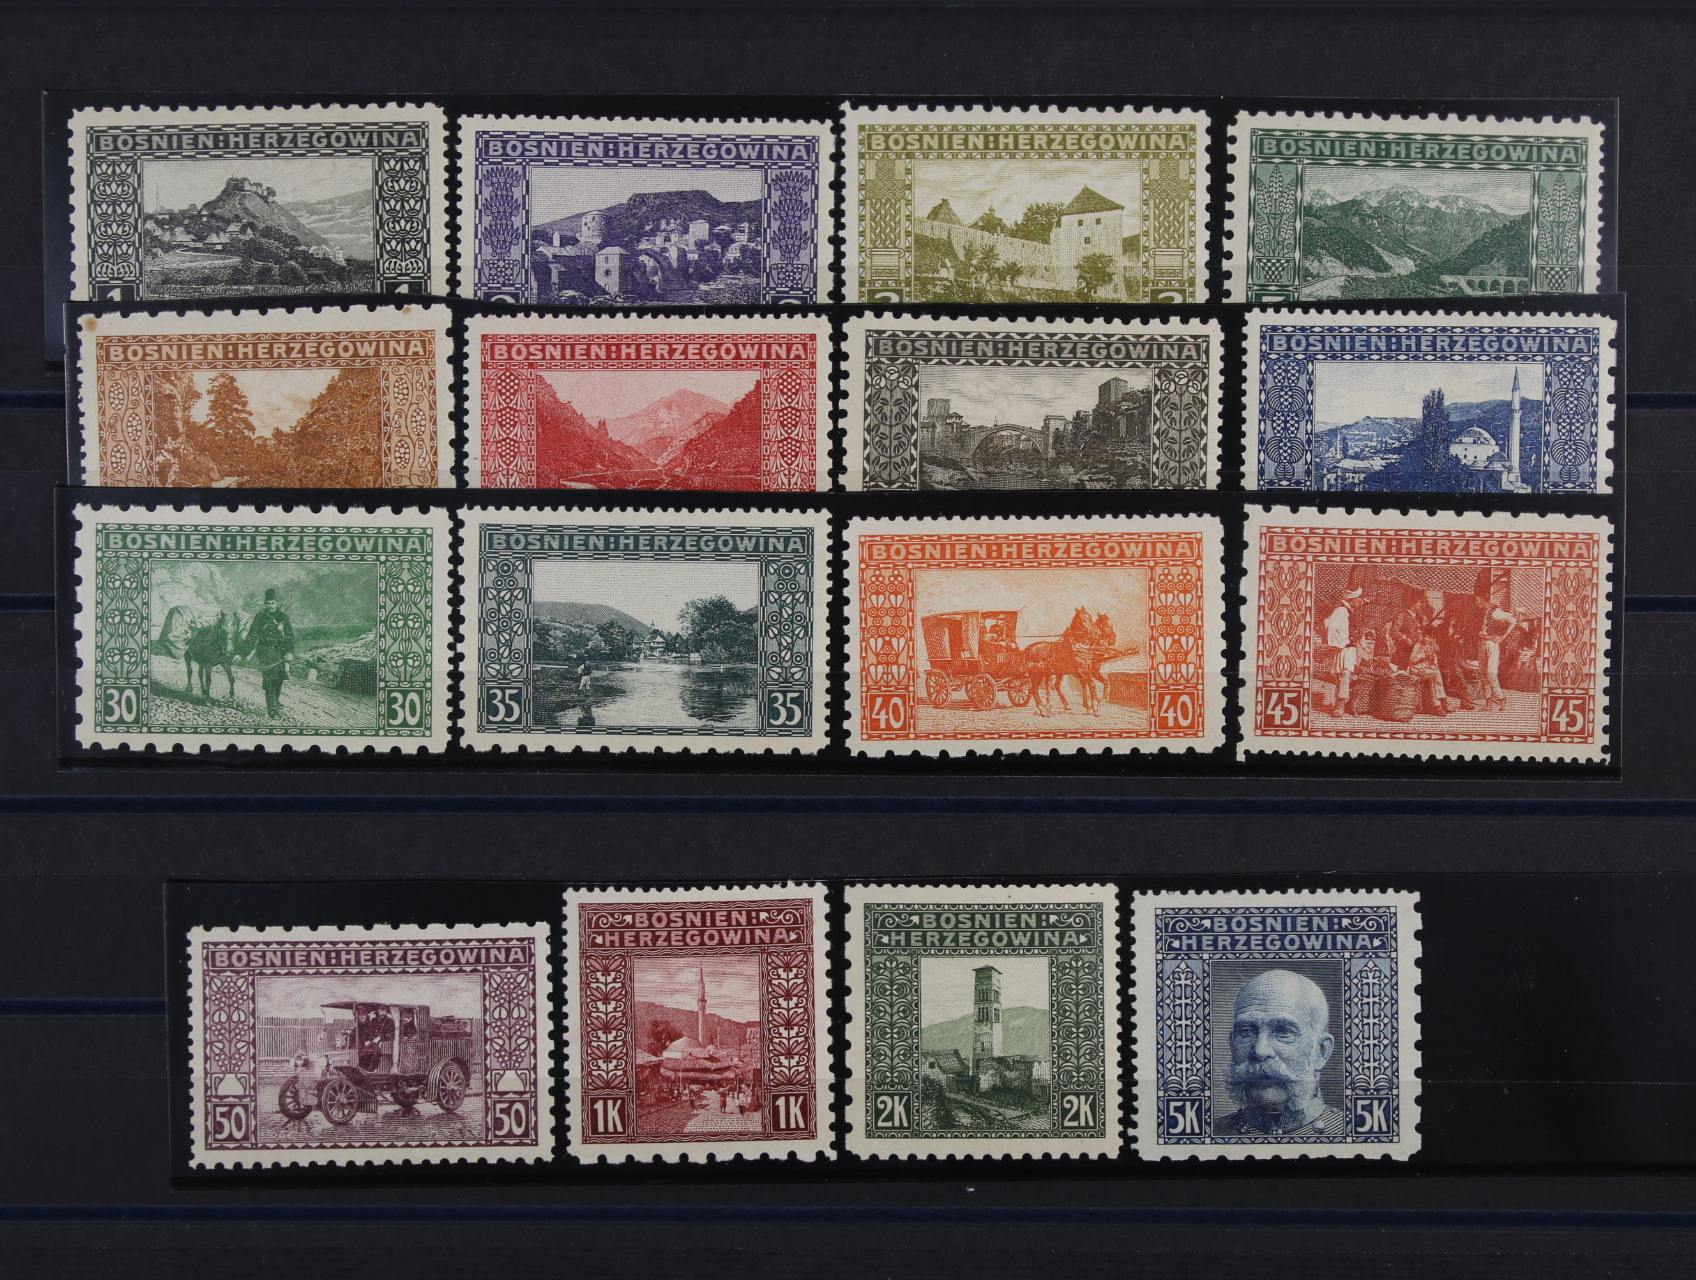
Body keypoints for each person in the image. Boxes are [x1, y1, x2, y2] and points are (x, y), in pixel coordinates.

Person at [1215, 969, 1347, 1138]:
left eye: (1283, 1032)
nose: (1260, 1051)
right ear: (1231, 1042)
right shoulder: (1213, 1132)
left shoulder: (1349, 1130)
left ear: (1321, 1052)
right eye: (1246, 1032)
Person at [244, 588, 294, 720]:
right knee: (270, 678)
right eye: (268, 603)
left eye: (272, 603)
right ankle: (272, 709)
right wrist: (244, 652)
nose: (270, 605)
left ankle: (275, 700)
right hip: (264, 650)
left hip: (279, 651)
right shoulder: (260, 617)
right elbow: (252, 635)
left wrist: (289, 651)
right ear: (265, 604)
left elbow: (290, 635)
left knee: (279, 677)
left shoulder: (283, 617)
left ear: (276, 603)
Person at [1475, 593, 1520, 712]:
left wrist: (1503, 637)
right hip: (1481, 643)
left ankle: (1501, 698)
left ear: (1484, 600)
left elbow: (1513, 621)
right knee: (1482, 674)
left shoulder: (1496, 612)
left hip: (1492, 644)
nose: (1476, 603)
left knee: (1491, 673)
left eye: (1478, 600)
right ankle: (1488, 703)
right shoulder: (1481, 612)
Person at [1320, 588, 1362, 716]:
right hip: (1344, 649)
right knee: (1344, 675)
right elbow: (1329, 625)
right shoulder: (1341, 611)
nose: (1360, 600)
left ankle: (1342, 703)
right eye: (1358, 598)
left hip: (1350, 649)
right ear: (1352, 599)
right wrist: (1342, 641)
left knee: (1345, 676)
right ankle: (1340, 706)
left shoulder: (1349, 611)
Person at [1407, 628, 1448, 714]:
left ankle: (1437, 707)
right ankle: (1443, 701)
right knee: (1436, 673)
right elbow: (1411, 660)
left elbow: (1435, 659)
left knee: (1434, 677)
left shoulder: (1430, 647)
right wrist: (1423, 654)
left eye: (1428, 637)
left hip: (1426, 671)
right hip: (1415, 670)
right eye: (1424, 636)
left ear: (1431, 639)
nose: (1425, 639)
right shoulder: (1417, 645)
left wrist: (1434, 664)